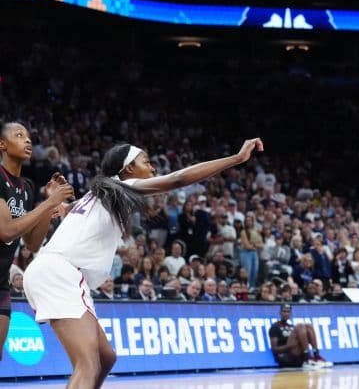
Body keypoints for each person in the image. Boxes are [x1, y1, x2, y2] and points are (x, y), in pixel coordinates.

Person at [23, 138, 262, 389]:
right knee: (88, 364)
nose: (152, 168)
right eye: (145, 162)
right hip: (61, 272)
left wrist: (55, 202)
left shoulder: (98, 194)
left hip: (52, 270)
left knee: (105, 358)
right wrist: (236, 158)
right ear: (128, 169)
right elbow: (179, 179)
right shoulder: (122, 186)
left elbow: (63, 212)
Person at [0, 122, 75, 361]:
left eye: (29, 137)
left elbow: (31, 244)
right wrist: (50, 204)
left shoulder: (27, 186)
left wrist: (48, 202)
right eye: (19, 135)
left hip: (2, 283)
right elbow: (7, 231)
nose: (28, 141)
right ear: (2, 144)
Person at [268, 304, 331, 369]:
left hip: (298, 354)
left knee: (308, 326)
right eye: (284, 311)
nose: (286, 314)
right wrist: (289, 346)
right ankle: (307, 358)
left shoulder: (291, 326)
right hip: (286, 355)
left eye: (288, 312)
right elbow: (274, 349)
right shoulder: (275, 327)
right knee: (300, 326)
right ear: (280, 313)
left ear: (291, 313)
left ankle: (316, 355)